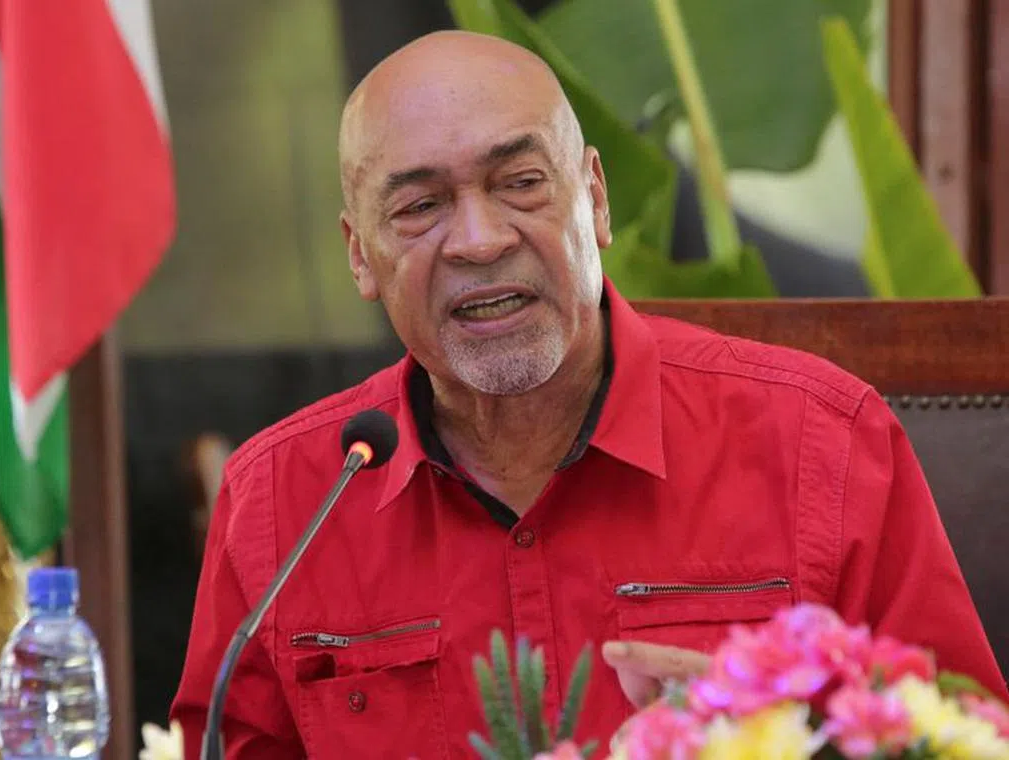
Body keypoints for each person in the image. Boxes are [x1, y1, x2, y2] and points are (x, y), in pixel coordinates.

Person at [172, 30, 1006, 758]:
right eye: (421, 206)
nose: (480, 239)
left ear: (595, 199)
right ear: (360, 256)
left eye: (521, 182)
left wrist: (771, 731)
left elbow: (959, 737)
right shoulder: (283, 504)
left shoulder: (820, 443)